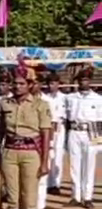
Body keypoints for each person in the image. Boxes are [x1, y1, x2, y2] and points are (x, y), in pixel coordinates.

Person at [0, 58, 53, 209]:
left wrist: (45, 161)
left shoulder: (40, 105)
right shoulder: (4, 103)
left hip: (31, 152)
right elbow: (0, 132)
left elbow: (46, 133)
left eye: (21, 83)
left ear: (30, 85)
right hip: (10, 151)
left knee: (29, 198)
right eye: (15, 83)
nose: (17, 87)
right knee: (12, 197)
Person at [65, 67, 102, 209]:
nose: (83, 82)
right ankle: (75, 196)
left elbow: (100, 121)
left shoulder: (98, 99)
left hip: (90, 132)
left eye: (86, 79)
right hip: (74, 131)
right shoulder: (70, 98)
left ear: (90, 81)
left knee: (89, 165)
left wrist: (99, 141)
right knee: (74, 165)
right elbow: (66, 118)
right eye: (81, 80)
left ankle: (87, 196)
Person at [41, 72, 67, 201]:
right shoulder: (45, 98)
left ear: (58, 84)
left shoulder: (64, 98)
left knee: (58, 156)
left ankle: (56, 183)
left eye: (54, 83)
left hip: (59, 127)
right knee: (48, 154)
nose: (52, 86)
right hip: (48, 127)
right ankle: (47, 182)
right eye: (50, 83)